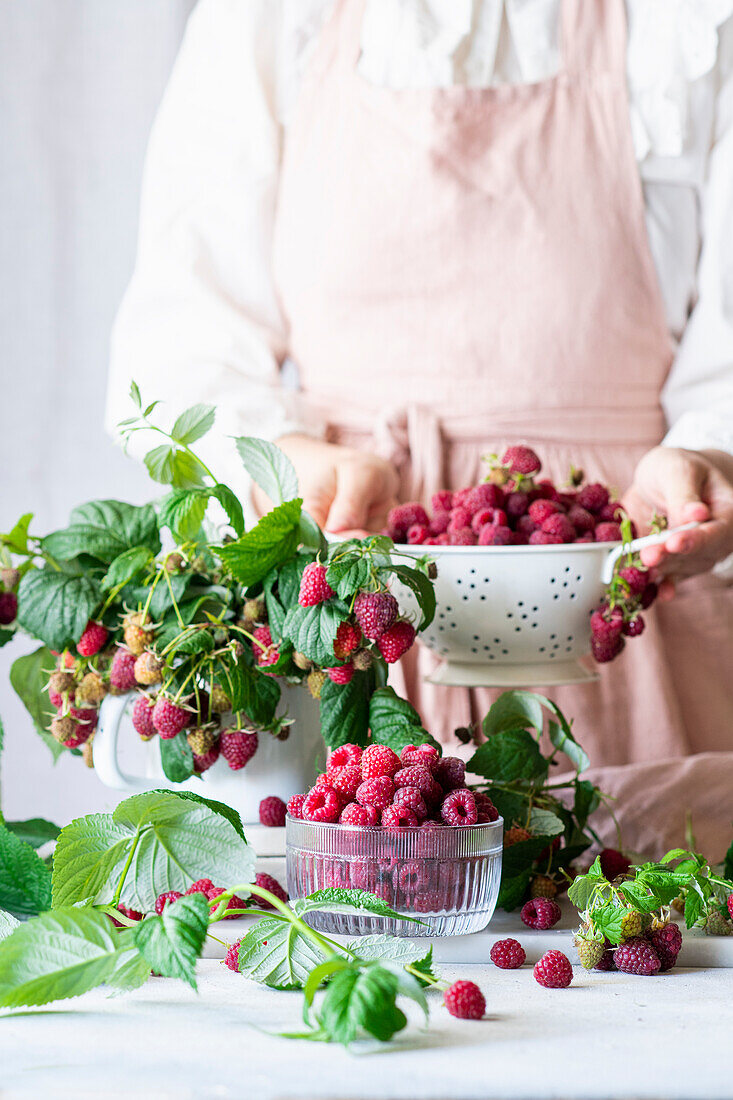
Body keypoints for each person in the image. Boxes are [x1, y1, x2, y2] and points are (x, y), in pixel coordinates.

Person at [107, 0, 733, 855]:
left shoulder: (686, 20)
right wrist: (290, 464)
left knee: (648, 915)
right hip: (363, 590)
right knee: (364, 921)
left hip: (623, 581)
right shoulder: (270, 15)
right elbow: (181, 336)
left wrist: (706, 454)